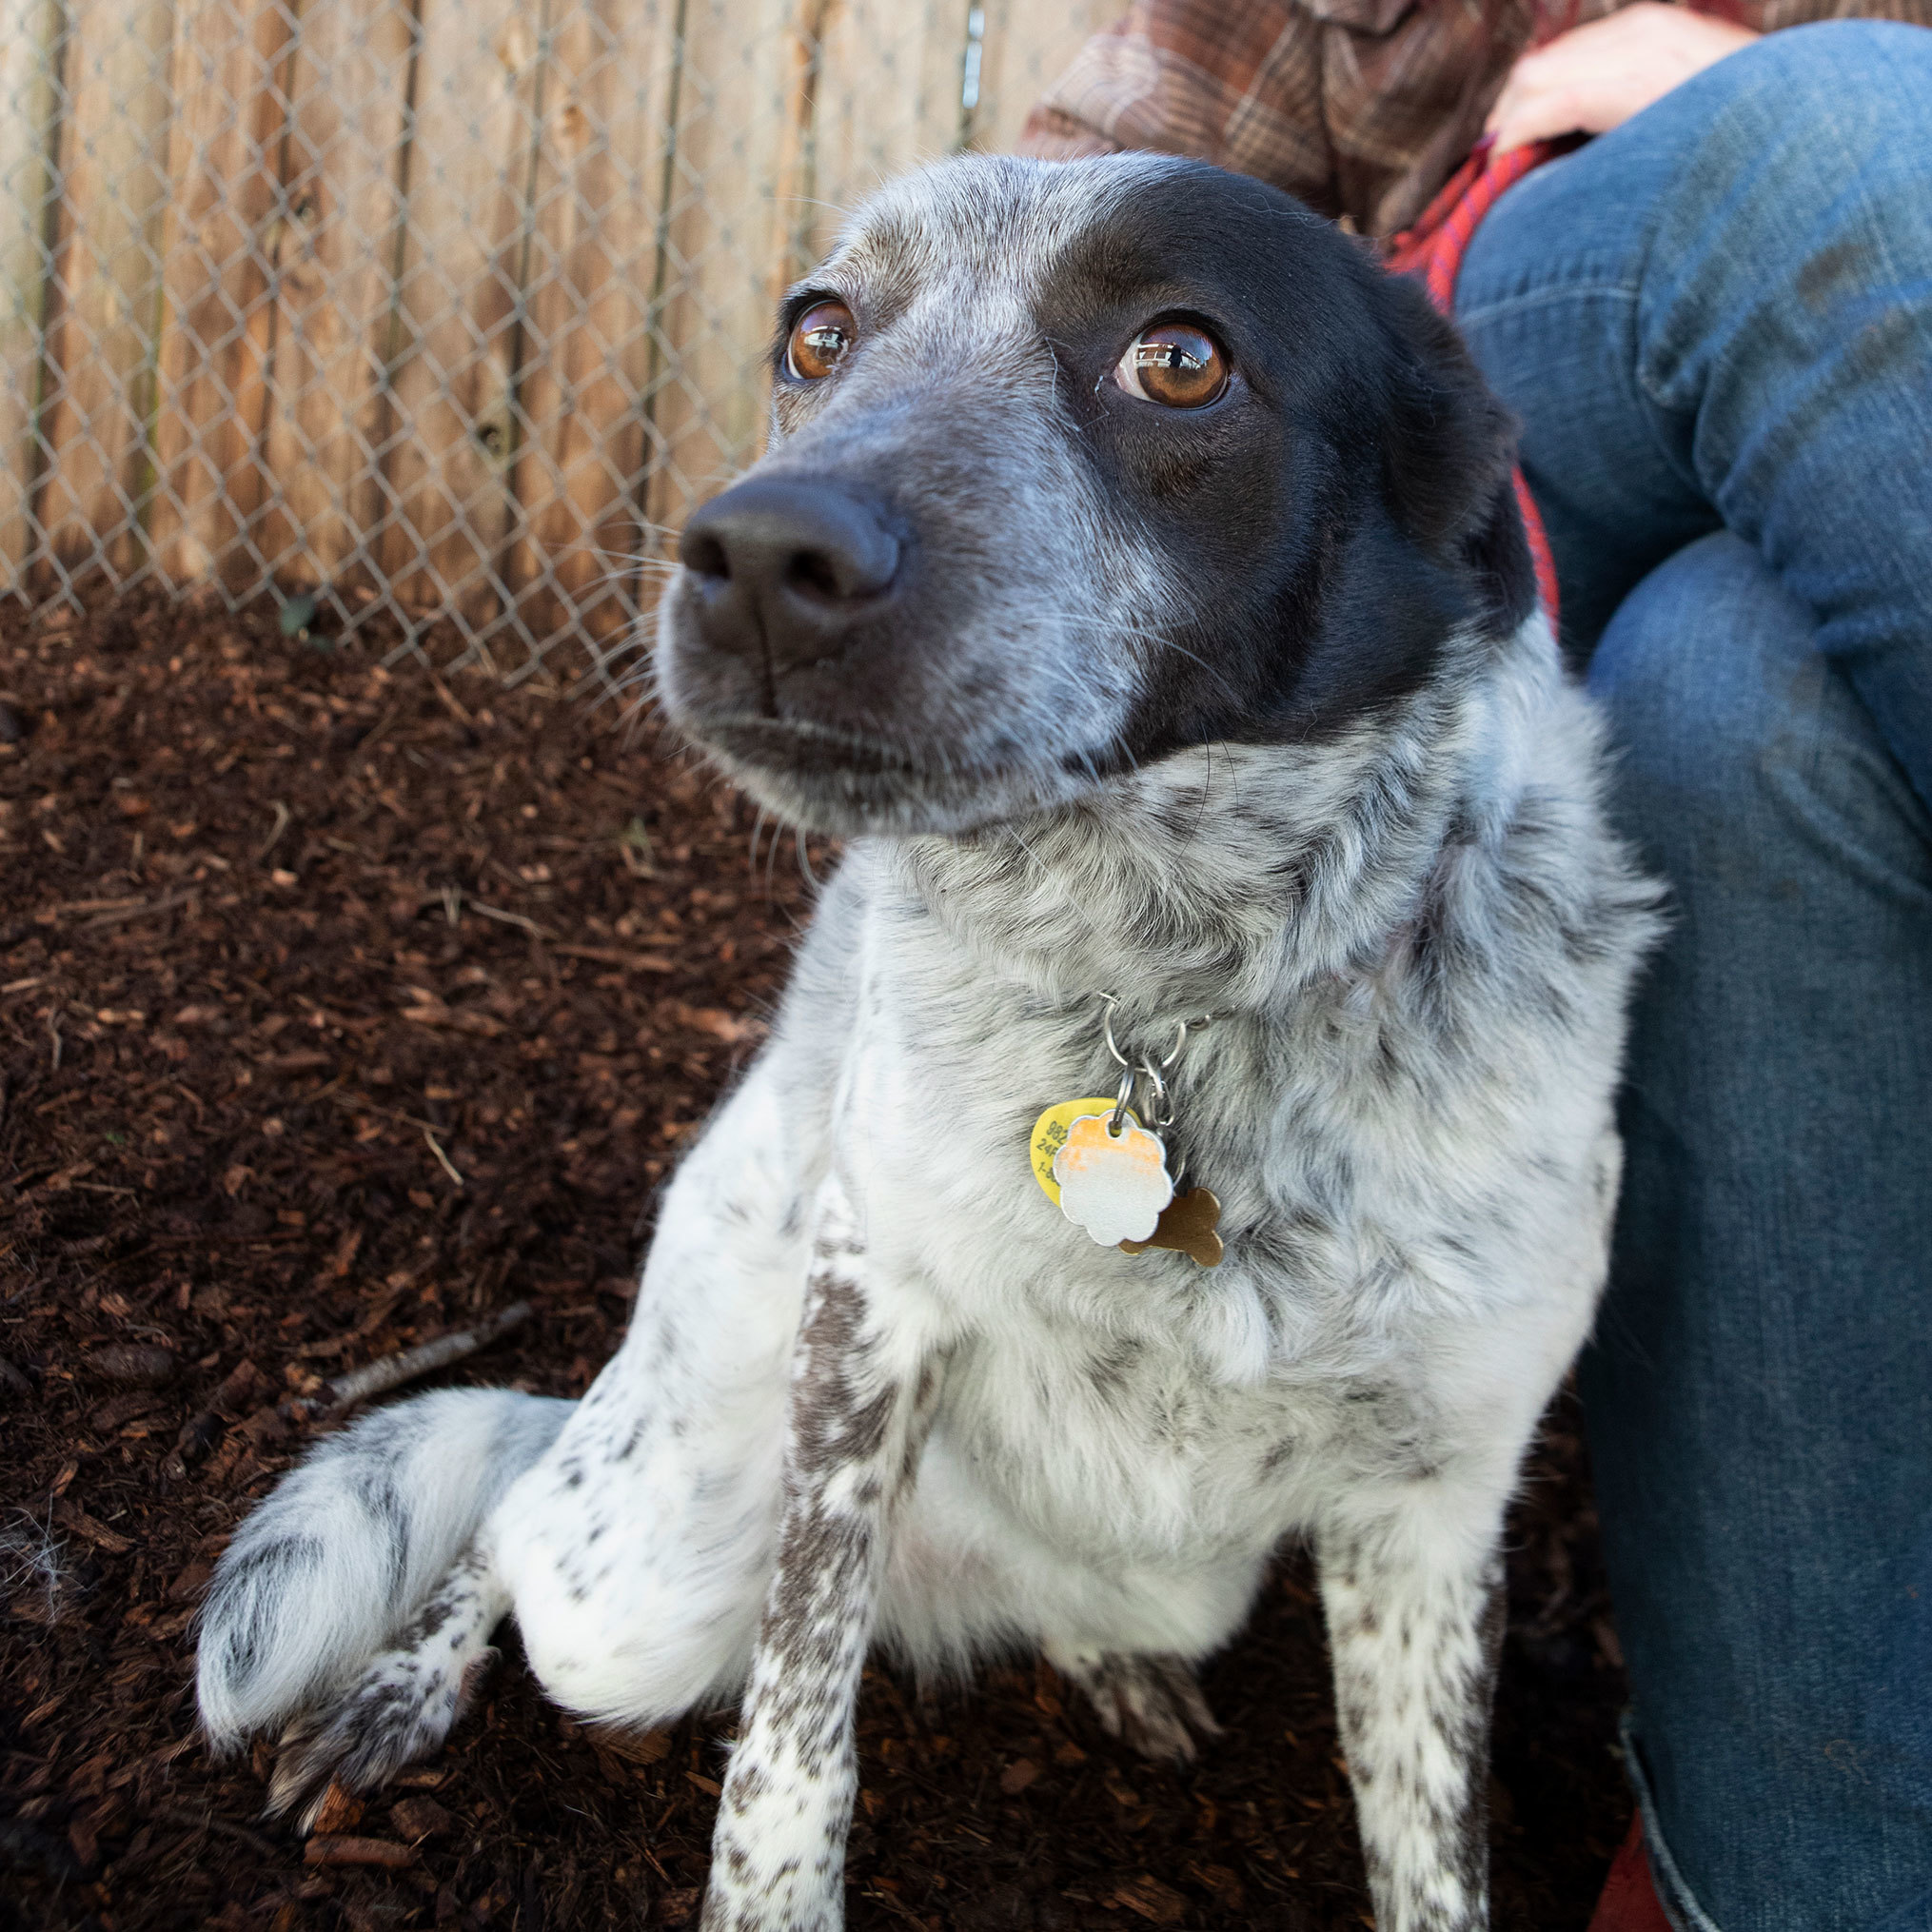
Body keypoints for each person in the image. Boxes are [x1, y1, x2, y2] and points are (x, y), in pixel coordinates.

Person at [1018, 5, 1932, 1928]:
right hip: (1465, 379)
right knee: (1835, 151)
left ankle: (1779, 1882)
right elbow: (1054, 236)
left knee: (1735, 701)